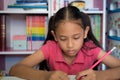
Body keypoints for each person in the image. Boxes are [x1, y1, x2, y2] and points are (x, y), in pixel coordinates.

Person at [9, 6, 120, 80]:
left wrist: (99, 76)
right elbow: (15, 69)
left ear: (85, 33)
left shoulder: (91, 49)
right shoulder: (50, 48)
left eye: (76, 38)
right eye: (63, 38)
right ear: (55, 36)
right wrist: (46, 76)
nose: (70, 45)